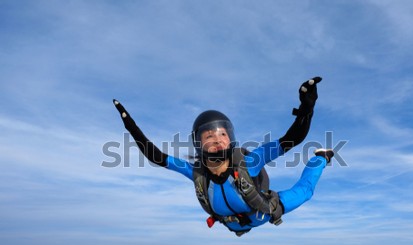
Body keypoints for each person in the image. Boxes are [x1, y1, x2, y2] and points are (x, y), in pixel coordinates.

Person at [113, 77, 334, 236]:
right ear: (198, 143)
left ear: (231, 139)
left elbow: (292, 139)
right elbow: (156, 156)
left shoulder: (250, 162)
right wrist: (129, 124)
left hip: (264, 213)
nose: (217, 139)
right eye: (209, 136)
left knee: (305, 192)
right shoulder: (196, 172)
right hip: (232, 224)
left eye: (222, 134)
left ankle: (321, 157)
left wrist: (306, 109)